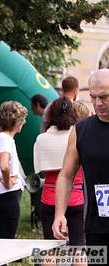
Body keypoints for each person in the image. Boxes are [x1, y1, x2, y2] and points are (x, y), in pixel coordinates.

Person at [52, 69, 109, 262]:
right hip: (97, 226)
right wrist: (60, 213)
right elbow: (67, 175)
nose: (98, 103)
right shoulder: (81, 130)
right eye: (93, 97)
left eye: (104, 97)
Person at [33, 97, 85, 248]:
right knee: (78, 247)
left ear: (50, 114)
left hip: (49, 197)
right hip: (76, 197)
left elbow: (41, 170)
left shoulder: (42, 139)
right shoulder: (78, 136)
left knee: (50, 249)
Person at [0, 101, 28, 239]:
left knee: (4, 237)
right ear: (16, 122)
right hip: (7, 194)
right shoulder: (6, 140)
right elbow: (4, 165)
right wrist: (7, 182)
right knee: (7, 240)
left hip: (0, 195)